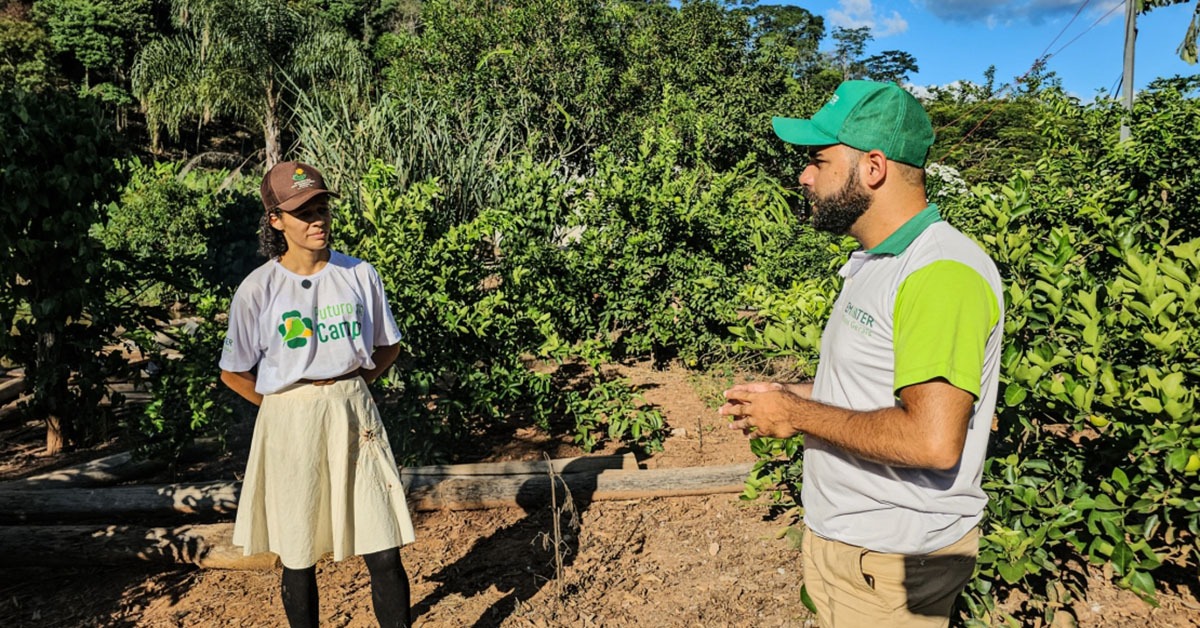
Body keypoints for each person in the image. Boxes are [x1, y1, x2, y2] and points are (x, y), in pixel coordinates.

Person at [719, 80, 1004, 627]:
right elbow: (874, 389)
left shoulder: (941, 273)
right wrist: (786, 397)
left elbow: (931, 440)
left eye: (819, 160)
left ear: (873, 167)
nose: (804, 175)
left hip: (892, 563)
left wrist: (797, 416)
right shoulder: (878, 261)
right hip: (854, 548)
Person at [219, 161, 416, 628]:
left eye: (321, 207)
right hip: (288, 420)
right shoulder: (258, 289)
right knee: (298, 551)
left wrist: (351, 388)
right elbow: (233, 372)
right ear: (276, 220)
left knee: (383, 544)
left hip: (354, 414)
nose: (317, 219)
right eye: (303, 211)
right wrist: (284, 407)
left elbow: (388, 345)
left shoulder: (358, 275)